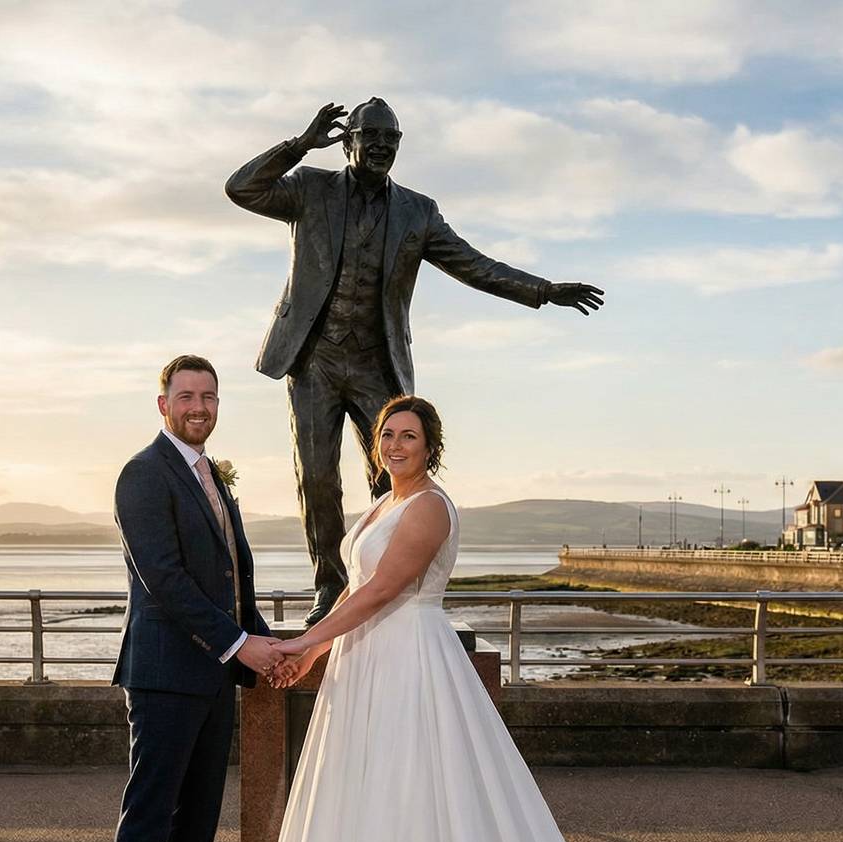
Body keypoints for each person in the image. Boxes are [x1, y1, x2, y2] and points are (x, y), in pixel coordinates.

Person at [251, 396, 776, 842]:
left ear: (430, 446)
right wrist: (317, 655)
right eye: (387, 435)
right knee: (369, 798)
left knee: (411, 796)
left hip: (411, 661)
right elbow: (356, 594)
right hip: (364, 660)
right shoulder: (382, 506)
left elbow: (386, 590)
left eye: (409, 436)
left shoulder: (430, 508)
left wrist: (304, 640)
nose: (395, 444)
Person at [227, 98, 605, 625]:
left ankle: (391, 586)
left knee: (396, 478)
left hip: (376, 363)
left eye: (391, 140)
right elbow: (241, 188)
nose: (381, 147)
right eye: (371, 136)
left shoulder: (417, 211)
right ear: (348, 140)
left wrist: (543, 291)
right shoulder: (310, 189)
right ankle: (331, 589)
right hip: (312, 358)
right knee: (317, 480)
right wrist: (299, 145)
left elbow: (473, 265)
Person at [109, 355, 280, 842]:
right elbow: (167, 582)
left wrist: (264, 643)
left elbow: (230, 582)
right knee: (149, 816)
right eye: (186, 396)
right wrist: (241, 644)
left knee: (199, 814)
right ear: (164, 406)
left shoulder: (214, 476)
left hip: (213, 674)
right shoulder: (143, 476)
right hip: (162, 674)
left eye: (209, 396)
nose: (199, 407)